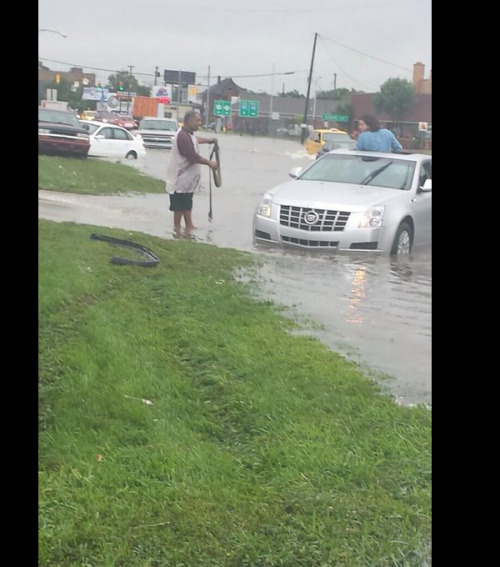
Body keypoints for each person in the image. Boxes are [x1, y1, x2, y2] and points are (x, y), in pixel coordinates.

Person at [165, 110, 218, 230]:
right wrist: (210, 163)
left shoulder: (188, 134)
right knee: (180, 208)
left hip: (186, 183)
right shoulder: (182, 136)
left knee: (185, 205)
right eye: (198, 120)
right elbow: (193, 157)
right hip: (179, 181)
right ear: (190, 121)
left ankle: (184, 229)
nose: (200, 123)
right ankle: (182, 229)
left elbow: (195, 140)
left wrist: (208, 140)